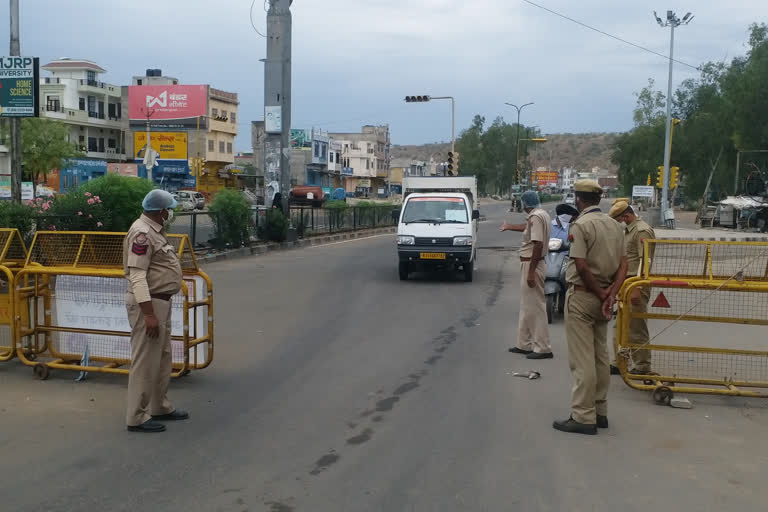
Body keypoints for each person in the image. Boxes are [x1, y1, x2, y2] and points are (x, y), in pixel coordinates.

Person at [553, 180, 627, 435]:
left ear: (578, 200)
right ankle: (600, 411)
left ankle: (583, 416)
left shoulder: (581, 225)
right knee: (600, 356)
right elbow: (624, 266)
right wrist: (610, 295)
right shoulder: (615, 226)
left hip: (584, 296)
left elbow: (581, 266)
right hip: (605, 297)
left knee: (582, 360)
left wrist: (599, 293)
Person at [124, 190, 189, 433]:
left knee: (162, 359)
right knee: (145, 361)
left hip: (160, 302)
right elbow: (137, 276)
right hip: (148, 305)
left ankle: (159, 406)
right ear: (160, 211)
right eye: (168, 209)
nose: (170, 213)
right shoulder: (141, 234)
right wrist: (149, 314)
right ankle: (136, 417)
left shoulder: (154, 231)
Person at [500, 190, 553, 359]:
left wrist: (531, 271)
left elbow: (537, 244)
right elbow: (529, 231)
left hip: (533, 263)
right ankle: (523, 344)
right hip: (531, 262)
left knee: (536, 307)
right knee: (527, 306)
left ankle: (543, 348)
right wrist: (509, 227)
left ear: (525, 203)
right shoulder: (541, 214)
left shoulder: (535, 217)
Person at [608, 200, 655, 375]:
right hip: (626, 284)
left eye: (619, 219)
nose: (618, 223)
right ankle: (619, 361)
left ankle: (642, 365)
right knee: (620, 326)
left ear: (626, 216)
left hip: (636, 284)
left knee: (636, 327)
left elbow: (645, 262)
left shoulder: (642, 230)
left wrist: (638, 288)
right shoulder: (629, 230)